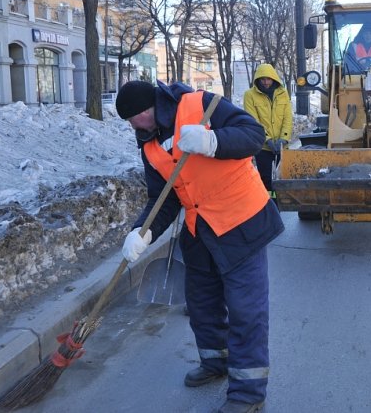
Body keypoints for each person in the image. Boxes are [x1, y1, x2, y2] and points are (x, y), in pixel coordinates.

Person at [116, 80, 284, 413]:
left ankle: (248, 393)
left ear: (152, 106)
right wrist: (142, 232)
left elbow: (253, 134)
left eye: (138, 116)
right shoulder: (149, 145)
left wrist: (213, 140)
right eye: (130, 121)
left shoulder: (200, 105)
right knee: (202, 303)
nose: (135, 125)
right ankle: (215, 361)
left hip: (241, 223)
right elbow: (162, 198)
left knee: (245, 311)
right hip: (200, 229)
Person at [243, 63, 293, 200]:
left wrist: (284, 138)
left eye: (268, 79)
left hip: (282, 145)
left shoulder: (283, 93)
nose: (265, 82)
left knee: (281, 177)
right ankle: (268, 203)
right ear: (258, 79)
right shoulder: (250, 95)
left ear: (273, 78)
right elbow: (253, 120)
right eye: (262, 79)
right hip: (263, 146)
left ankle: (280, 202)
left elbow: (288, 117)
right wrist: (268, 140)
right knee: (265, 178)